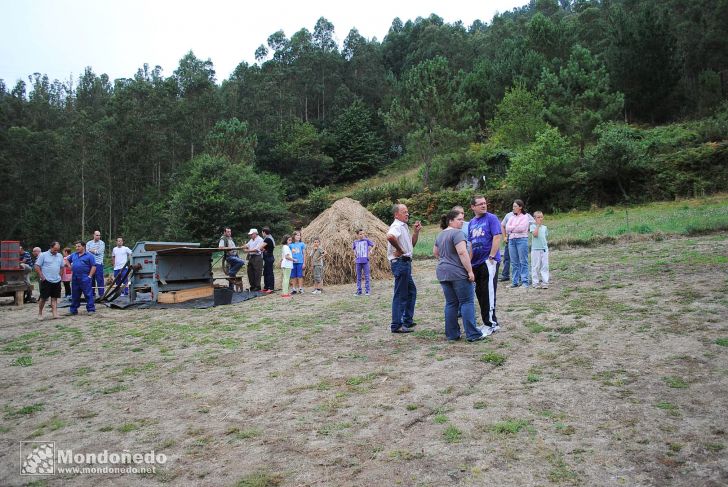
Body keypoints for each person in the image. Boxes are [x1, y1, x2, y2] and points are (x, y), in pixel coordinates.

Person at [434, 209, 484, 342]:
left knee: (451, 303)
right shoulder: (457, 234)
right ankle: (472, 334)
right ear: (451, 220)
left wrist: (447, 260)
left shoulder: (440, 235)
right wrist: (469, 271)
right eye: (459, 219)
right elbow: (462, 253)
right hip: (457, 273)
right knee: (467, 302)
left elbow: (436, 253)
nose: (462, 222)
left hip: (443, 272)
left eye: (463, 219)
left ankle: (452, 334)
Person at [468, 195, 502, 334]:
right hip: (475, 263)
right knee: (480, 293)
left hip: (488, 262)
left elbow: (497, 236)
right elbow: (471, 245)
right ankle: (486, 321)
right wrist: (469, 263)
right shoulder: (471, 223)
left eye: (484, 203)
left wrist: (492, 256)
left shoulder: (491, 218)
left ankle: (491, 324)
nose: (483, 205)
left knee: (488, 293)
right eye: (480, 204)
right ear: (473, 207)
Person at [386, 203, 421, 334]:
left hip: (405, 263)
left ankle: (407, 320)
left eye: (407, 211)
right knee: (401, 294)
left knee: (411, 292)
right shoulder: (396, 226)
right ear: (396, 214)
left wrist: (416, 232)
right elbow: (390, 236)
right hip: (401, 263)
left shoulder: (403, 226)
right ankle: (396, 325)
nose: (407, 214)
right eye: (404, 212)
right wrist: (399, 250)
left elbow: (410, 246)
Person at [35, 242, 64, 319]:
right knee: (43, 298)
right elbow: (37, 266)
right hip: (46, 280)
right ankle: (40, 314)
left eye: (57, 250)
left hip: (57, 280)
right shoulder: (43, 255)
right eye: (55, 250)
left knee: (54, 298)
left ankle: (55, 314)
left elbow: (62, 267)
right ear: (51, 247)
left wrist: (60, 276)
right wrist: (42, 277)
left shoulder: (60, 255)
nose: (56, 251)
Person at [505, 199, 531, 289]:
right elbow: (507, 228)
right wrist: (514, 227)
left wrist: (512, 228)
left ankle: (525, 282)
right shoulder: (511, 217)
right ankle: (515, 282)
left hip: (521, 240)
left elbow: (522, 228)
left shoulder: (525, 217)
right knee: (514, 262)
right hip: (512, 241)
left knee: (523, 261)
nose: (513, 208)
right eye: (513, 206)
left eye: (515, 206)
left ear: (520, 207)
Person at [66, 241, 96, 315]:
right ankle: (73, 310)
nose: (77, 248)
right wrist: (70, 267)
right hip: (75, 277)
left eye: (78, 246)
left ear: (83, 247)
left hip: (85, 277)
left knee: (88, 294)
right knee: (75, 294)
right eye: (76, 246)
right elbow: (66, 260)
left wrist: (89, 276)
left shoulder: (89, 256)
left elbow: (94, 266)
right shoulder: (74, 255)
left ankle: (90, 309)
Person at [530, 211, 550, 289]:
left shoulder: (545, 227)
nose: (540, 219)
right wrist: (538, 226)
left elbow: (545, 237)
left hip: (544, 249)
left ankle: (545, 282)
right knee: (535, 266)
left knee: (545, 266)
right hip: (535, 249)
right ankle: (535, 283)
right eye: (538, 217)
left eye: (541, 217)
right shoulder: (533, 226)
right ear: (534, 218)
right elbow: (535, 235)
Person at [352, 229, 375, 296]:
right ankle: (359, 291)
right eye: (360, 234)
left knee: (367, 276)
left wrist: (371, 251)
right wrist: (355, 254)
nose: (362, 235)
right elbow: (354, 249)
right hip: (358, 261)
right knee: (358, 277)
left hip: (365, 261)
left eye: (363, 234)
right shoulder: (355, 242)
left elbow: (374, 245)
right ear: (357, 235)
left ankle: (367, 291)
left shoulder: (366, 240)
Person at [86, 230, 105, 297]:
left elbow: (99, 252)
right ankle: (92, 294)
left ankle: (101, 294)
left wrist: (92, 250)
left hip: (99, 264)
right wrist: (94, 251)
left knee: (100, 280)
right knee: (91, 279)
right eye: (97, 235)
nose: (98, 237)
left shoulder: (102, 243)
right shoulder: (89, 243)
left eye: (99, 235)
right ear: (93, 235)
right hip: (90, 264)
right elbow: (87, 252)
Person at [260, 227, 276, 294]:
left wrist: (263, 249)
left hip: (269, 258)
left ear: (264, 232)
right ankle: (266, 287)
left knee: (269, 273)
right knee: (266, 272)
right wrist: (264, 249)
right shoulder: (269, 238)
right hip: (267, 258)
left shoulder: (268, 239)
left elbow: (260, 247)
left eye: (262, 232)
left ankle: (271, 288)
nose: (262, 234)